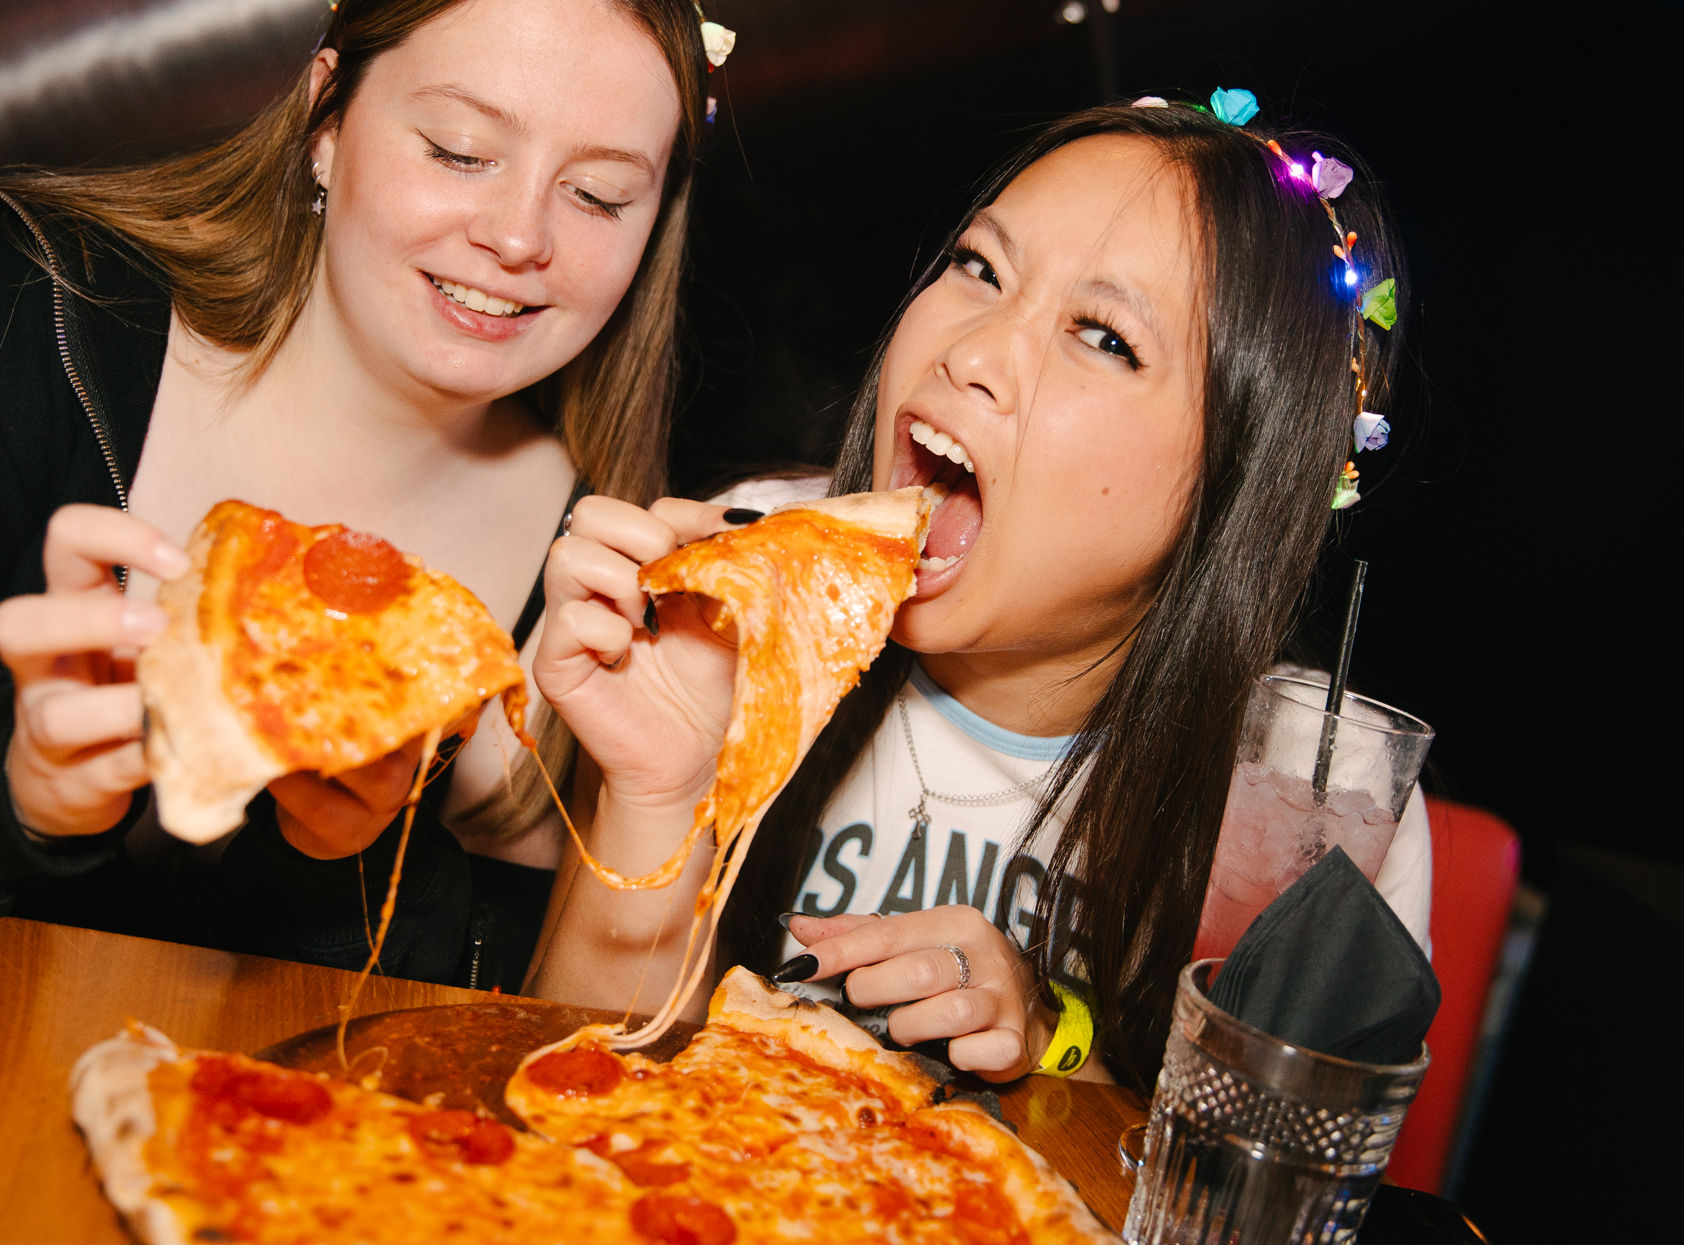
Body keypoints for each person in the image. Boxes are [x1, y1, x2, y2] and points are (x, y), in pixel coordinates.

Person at [0, 0, 719, 993]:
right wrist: (9, 778)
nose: (520, 234)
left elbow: (492, 1032)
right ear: (325, 119)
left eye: (597, 195)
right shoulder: (33, 312)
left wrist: (341, 859)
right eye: (459, 150)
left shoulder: (603, 592)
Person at [527, 97, 1426, 1088]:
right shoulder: (740, 582)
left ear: (1238, 486)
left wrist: (1056, 1046)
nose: (973, 352)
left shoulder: (1313, 794)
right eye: (978, 267)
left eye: (1105, 337)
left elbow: (1255, 1200)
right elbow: (561, 1112)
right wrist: (658, 791)